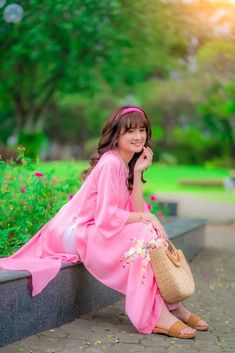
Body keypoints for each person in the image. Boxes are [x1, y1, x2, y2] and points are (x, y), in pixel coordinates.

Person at [0, 106, 208, 339]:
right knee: (143, 233)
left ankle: (171, 305)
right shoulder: (110, 164)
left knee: (147, 229)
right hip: (71, 231)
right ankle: (156, 314)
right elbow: (107, 218)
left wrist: (138, 173)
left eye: (142, 130)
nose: (138, 136)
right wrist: (143, 218)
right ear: (116, 134)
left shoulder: (126, 163)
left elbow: (137, 210)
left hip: (92, 227)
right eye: (130, 131)